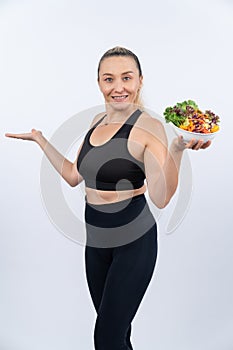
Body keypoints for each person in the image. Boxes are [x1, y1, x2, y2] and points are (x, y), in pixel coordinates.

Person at [5, 46, 211, 350]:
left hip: (134, 239)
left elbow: (161, 196)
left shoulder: (149, 127)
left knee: (107, 337)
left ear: (140, 80)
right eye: (109, 79)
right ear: (99, 82)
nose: (118, 87)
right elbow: (75, 176)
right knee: (116, 334)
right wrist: (41, 140)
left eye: (126, 78)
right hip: (97, 240)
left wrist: (177, 151)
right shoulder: (96, 123)